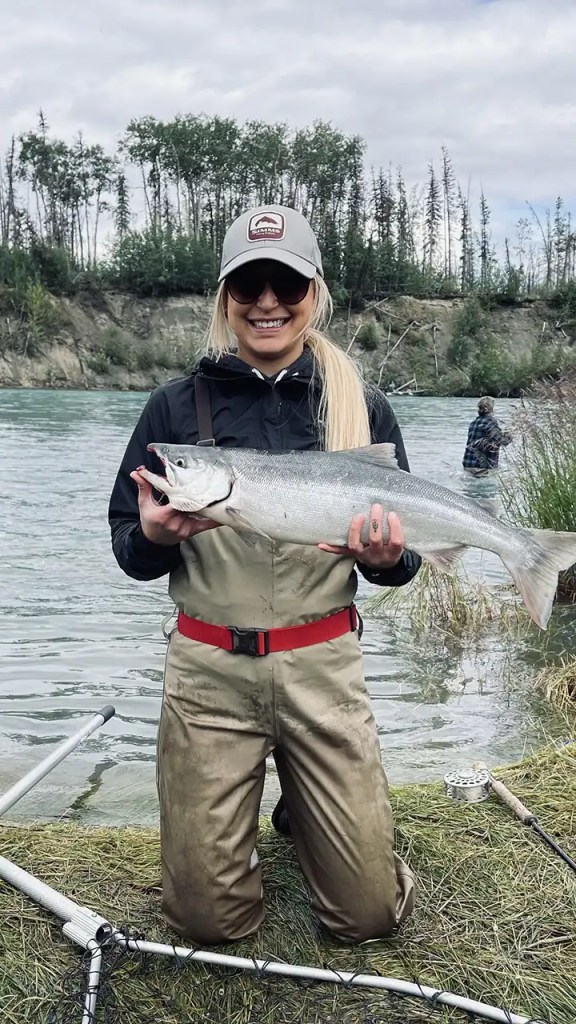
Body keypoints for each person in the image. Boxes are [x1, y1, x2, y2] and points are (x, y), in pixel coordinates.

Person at [108, 204, 421, 947]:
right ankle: (259, 817)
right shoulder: (173, 408)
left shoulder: (361, 406)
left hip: (324, 669)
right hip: (209, 674)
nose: (268, 303)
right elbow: (127, 542)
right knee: (207, 925)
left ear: (314, 291)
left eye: (286, 284)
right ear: (226, 295)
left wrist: (389, 558)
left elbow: (403, 563)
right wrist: (154, 536)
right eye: (249, 284)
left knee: (366, 920)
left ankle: (313, 814)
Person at [462, 396, 512, 477]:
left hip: (468, 464)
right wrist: (509, 436)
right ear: (491, 409)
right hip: (482, 466)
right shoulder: (490, 422)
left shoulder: (473, 423)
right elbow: (501, 441)